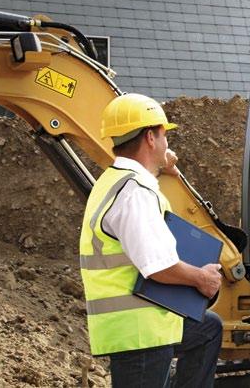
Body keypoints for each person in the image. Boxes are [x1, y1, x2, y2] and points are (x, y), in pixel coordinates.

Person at [78, 93, 223, 388]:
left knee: (208, 328)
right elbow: (157, 267)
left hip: (140, 321)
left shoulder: (115, 181)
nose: (168, 143)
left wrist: (158, 166)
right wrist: (201, 278)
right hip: (139, 330)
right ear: (150, 138)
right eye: (164, 135)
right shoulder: (136, 193)